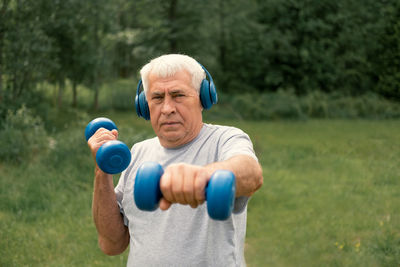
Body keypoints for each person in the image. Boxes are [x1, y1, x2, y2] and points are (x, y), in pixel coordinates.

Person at [87, 54, 263, 266]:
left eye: (178, 95)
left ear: (203, 98)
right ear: (144, 105)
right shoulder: (138, 153)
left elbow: (251, 174)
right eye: (158, 97)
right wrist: (102, 169)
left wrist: (202, 176)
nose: (167, 108)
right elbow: (112, 244)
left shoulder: (224, 140)